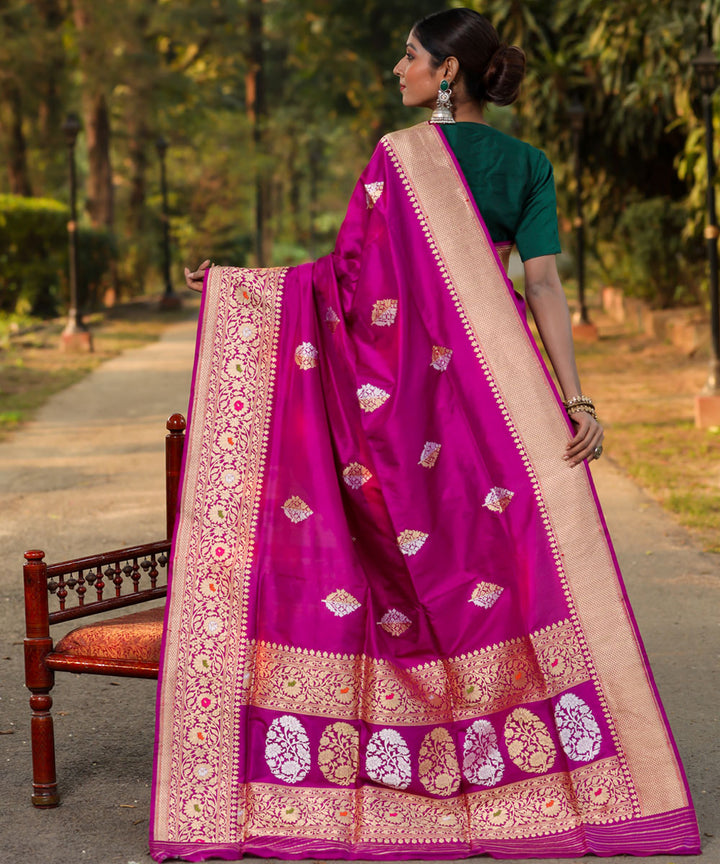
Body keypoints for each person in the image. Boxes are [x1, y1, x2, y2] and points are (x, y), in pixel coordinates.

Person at [152, 9, 699, 861]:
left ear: (448, 72)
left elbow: (344, 286)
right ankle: (530, 776)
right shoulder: (528, 164)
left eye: (408, 56)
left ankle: (413, 773)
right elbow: (544, 285)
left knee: (408, 573)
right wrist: (575, 399)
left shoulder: (398, 157)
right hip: (494, 401)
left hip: (399, 405)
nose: (395, 70)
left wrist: (242, 291)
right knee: (495, 575)